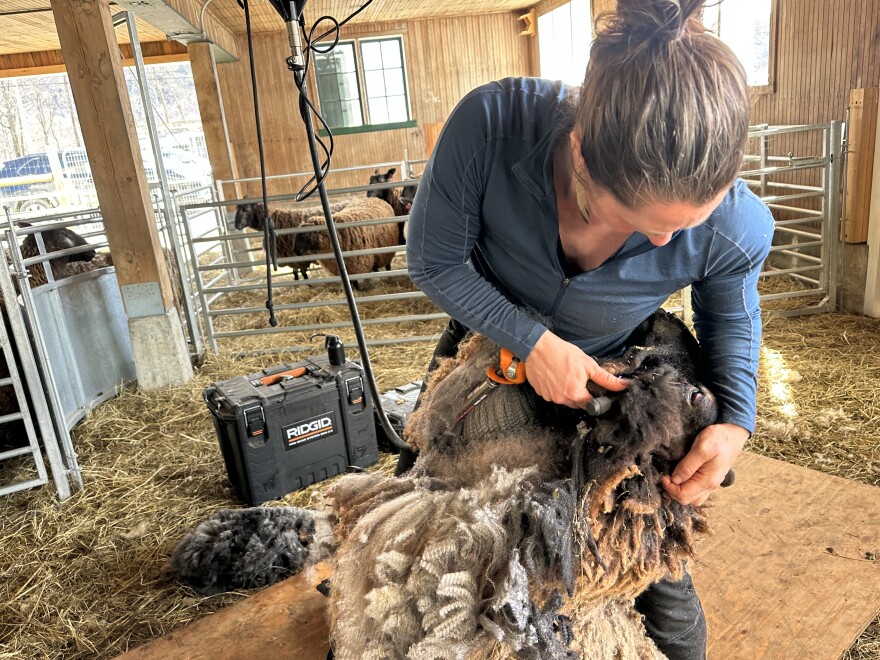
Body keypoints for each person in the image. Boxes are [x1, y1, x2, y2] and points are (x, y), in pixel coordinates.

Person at [401, 0, 773, 658]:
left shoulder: (733, 224)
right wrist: (532, 341)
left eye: (686, 225)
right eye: (639, 218)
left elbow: (730, 315)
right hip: (491, 351)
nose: (663, 241)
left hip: (613, 382)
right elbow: (434, 260)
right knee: (423, 516)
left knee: (654, 564)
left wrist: (737, 421)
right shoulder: (490, 128)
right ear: (579, 153)